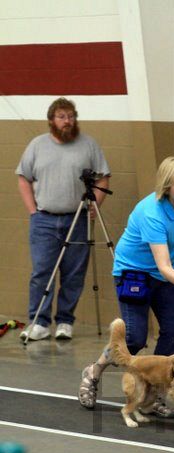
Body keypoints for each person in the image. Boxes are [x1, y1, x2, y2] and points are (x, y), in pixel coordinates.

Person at [79, 155, 174, 417]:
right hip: (135, 273)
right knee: (133, 338)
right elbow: (164, 265)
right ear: (167, 187)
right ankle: (94, 370)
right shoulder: (151, 213)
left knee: (173, 332)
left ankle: (155, 392)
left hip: (164, 273)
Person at [16, 97, 110, 341]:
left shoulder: (89, 145)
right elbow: (23, 177)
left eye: (71, 116)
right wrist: (32, 211)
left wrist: (95, 204)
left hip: (77, 219)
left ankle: (65, 322)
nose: (67, 121)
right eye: (62, 117)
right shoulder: (37, 145)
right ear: (51, 120)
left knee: (74, 274)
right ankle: (39, 322)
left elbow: (102, 178)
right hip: (44, 220)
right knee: (42, 272)